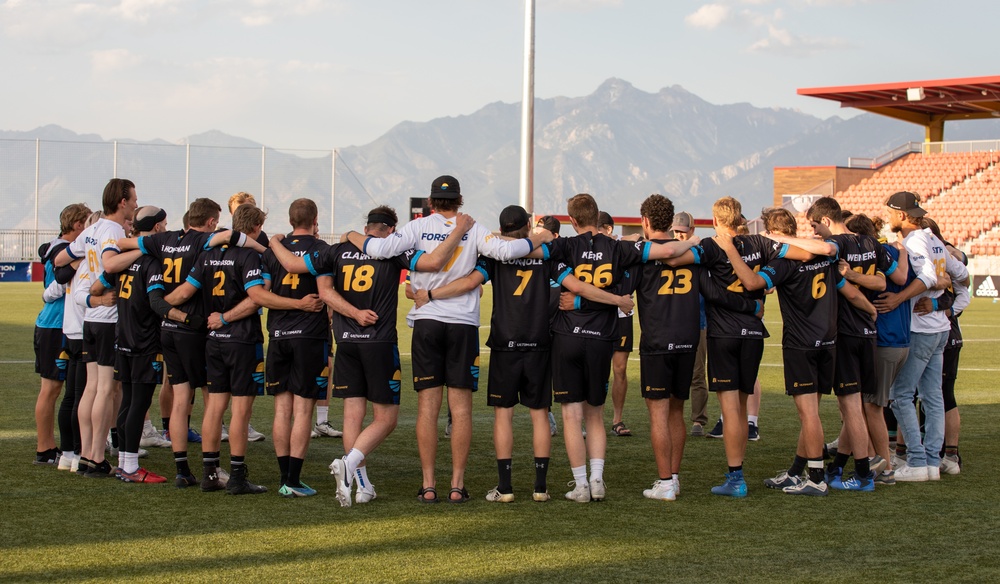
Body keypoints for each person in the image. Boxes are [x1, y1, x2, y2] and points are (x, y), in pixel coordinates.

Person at [344, 175, 553, 504]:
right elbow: (507, 250)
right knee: (461, 410)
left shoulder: (417, 227)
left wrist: (351, 235)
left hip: (427, 321)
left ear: (430, 202)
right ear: (460, 201)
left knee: (428, 409)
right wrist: (538, 237)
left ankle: (428, 485)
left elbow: (380, 248)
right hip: (462, 324)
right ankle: (457, 485)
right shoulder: (472, 226)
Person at [418, 205, 632, 503]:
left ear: (502, 229)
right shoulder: (545, 255)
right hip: (539, 341)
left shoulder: (493, 256)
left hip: (505, 342)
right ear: (528, 225)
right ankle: (540, 487)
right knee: (539, 415)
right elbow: (571, 285)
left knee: (503, 415)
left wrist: (430, 294)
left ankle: (505, 488)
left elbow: (469, 282)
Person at [533, 193, 697, 503]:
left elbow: (536, 253)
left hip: (569, 334)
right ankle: (600, 480)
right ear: (598, 218)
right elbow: (672, 249)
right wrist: (694, 242)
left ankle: (581, 485)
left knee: (571, 415)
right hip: (606, 337)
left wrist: (537, 233)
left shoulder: (565, 245)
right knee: (597, 414)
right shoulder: (620, 247)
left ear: (571, 220)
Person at [168, 204, 324, 494]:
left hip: (213, 339)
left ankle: (210, 473)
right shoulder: (251, 255)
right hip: (241, 339)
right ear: (255, 229)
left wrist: (160, 306)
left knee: (214, 407)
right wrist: (298, 304)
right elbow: (256, 298)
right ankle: (238, 476)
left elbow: (185, 292)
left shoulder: (208, 254)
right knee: (240, 411)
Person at [723, 207, 876, 496]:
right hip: (829, 343)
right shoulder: (822, 256)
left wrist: (731, 251)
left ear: (773, 233)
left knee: (808, 415)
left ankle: (816, 477)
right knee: (812, 413)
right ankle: (796, 471)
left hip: (801, 344)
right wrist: (871, 310)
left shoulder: (783, 261)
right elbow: (851, 292)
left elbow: (754, 284)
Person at [665, 197, 807, 497]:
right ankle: (737, 471)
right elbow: (802, 254)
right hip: (753, 333)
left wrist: (692, 243)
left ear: (716, 221)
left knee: (729, 410)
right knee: (741, 410)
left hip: (724, 333)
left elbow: (674, 260)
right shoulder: (761, 242)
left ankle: (736, 478)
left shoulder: (712, 246)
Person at [121, 197, 260, 487]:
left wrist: (160, 305)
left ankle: (182, 470)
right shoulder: (205, 242)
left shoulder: (164, 239)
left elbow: (125, 246)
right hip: (194, 328)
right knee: (214, 399)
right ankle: (214, 468)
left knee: (180, 398)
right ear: (210, 222)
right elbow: (230, 239)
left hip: (167, 328)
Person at [631, 196, 760, 501]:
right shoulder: (694, 254)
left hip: (658, 341)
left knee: (659, 415)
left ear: (646, 222)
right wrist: (751, 305)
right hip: (688, 340)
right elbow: (716, 292)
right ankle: (673, 478)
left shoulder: (642, 254)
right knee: (677, 411)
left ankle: (665, 482)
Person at [793, 197, 905, 489]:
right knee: (855, 406)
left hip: (845, 332)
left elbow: (827, 253)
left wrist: (777, 237)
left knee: (852, 408)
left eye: (816, 226)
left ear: (827, 221)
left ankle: (866, 472)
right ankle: (845, 466)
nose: (816, 233)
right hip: (868, 333)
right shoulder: (871, 244)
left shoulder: (837, 246)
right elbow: (885, 282)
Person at [95, 206, 203, 483]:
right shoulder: (153, 262)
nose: (166, 230)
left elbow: (97, 287)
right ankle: (130, 467)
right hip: (145, 341)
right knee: (138, 402)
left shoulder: (122, 259)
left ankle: (123, 462)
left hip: (123, 337)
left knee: (128, 401)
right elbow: (156, 302)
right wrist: (186, 318)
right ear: (156, 228)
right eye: (164, 225)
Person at [873, 192, 968, 482]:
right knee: (933, 398)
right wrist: (940, 293)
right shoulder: (934, 239)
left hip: (921, 329)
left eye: (890, 213)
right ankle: (930, 462)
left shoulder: (914, 240)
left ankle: (916, 461)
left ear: (901, 215)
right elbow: (961, 274)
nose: (888, 218)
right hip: (939, 328)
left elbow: (927, 276)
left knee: (901, 396)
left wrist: (899, 298)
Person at [54, 178, 138, 478]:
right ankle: (97, 456)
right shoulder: (114, 230)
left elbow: (61, 258)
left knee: (90, 388)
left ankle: (86, 453)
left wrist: (86, 279)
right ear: (121, 202)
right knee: (105, 388)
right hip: (106, 319)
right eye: (133, 199)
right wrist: (143, 247)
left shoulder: (91, 229)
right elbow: (111, 264)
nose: (136, 204)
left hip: (89, 319)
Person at [845, 213, 909, 484]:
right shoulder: (889, 251)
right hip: (898, 337)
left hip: (885, 338)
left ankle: (885, 468)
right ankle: (870, 459)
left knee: (872, 406)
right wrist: (903, 252)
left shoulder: (877, 252)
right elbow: (903, 275)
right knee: (865, 404)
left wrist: (849, 274)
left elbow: (897, 280)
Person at [35, 204, 90, 465]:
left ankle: (69, 447)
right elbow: (53, 287)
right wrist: (80, 263)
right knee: (52, 388)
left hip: (60, 325)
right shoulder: (60, 249)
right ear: (78, 225)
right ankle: (45, 449)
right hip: (54, 325)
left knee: (69, 390)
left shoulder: (57, 247)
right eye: (87, 223)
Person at [598, 211, 637, 438]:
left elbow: (637, 239)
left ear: (609, 229)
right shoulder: (592, 248)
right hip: (598, 314)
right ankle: (594, 419)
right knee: (596, 369)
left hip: (622, 315)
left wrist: (620, 240)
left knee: (620, 369)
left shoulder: (622, 245)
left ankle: (617, 420)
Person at [671, 211, 710, 438]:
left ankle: (698, 419)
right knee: (672, 374)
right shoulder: (667, 251)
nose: (679, 236)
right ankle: (672, 416)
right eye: (676, 231)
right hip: (671, 323)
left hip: (698, 321)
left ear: (692, 231)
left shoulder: (700, 254)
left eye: (683, 232)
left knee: (696, 373)